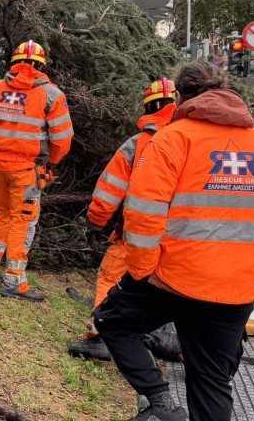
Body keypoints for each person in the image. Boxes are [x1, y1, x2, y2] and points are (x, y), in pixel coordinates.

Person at [94, 62, 254, 421]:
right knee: (211, 381)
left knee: (113, 322)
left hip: (171, 279)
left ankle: (160, 401)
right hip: (236, 289)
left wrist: (144, 271)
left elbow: (144, 214)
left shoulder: (171, 140)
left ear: (181, 96)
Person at [67, 78, 178, 361]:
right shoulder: (193, 143)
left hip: (139, 234)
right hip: (183, 239)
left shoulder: (138, 145)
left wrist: (95, 222)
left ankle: (103, 338)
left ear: (149, 107)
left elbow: (109, 188)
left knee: (111, 276)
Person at [0, 40, 73, 302]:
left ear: (14, 62)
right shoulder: (51, 94)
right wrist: (50, 161)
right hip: (27, 169)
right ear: (40, 64)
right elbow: (62, 138)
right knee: (23, 220)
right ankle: (14, 281)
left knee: (5, 211)